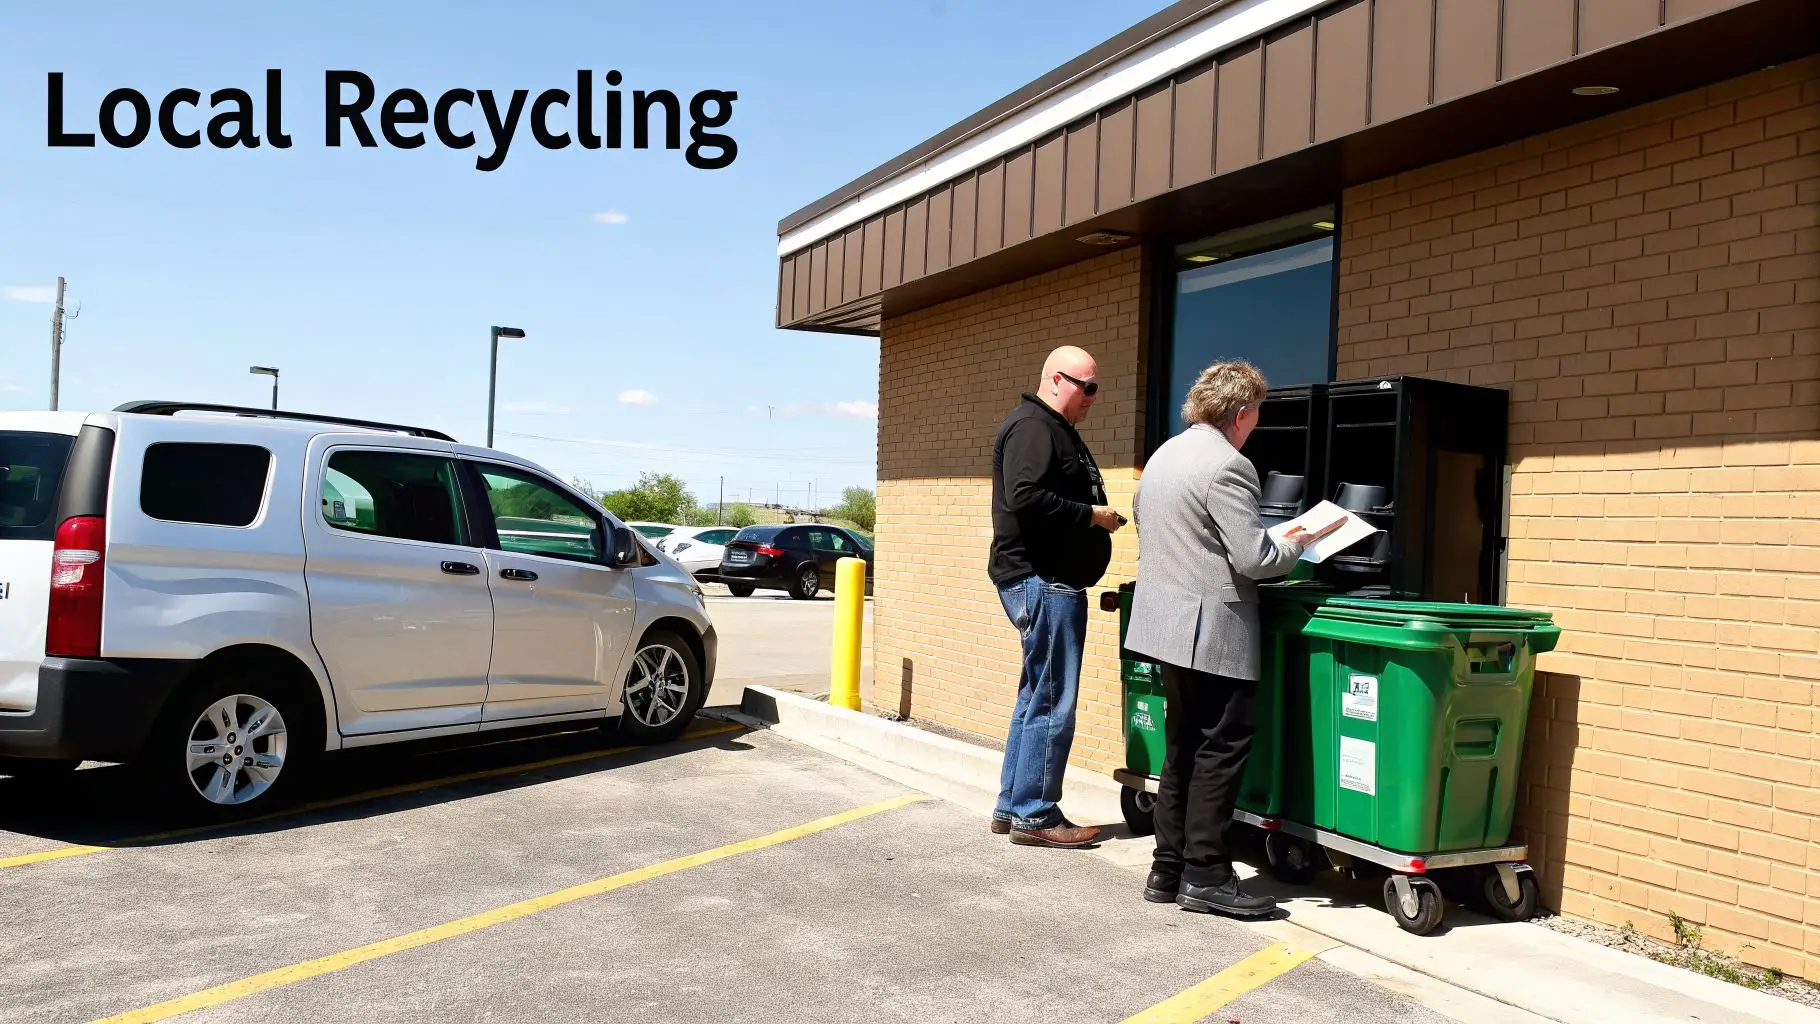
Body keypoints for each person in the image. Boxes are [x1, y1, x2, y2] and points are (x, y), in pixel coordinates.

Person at [1125, 360, 1342, 916]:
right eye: (1256, 415)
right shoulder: (1229, 465)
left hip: (1166, 625)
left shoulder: (1163, 456)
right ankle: (1207, 874)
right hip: (1214, 628)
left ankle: (1167, 868)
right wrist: (1304, 537)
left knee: (1183, 748)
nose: (1256, 424)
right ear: (1241, 414)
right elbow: (1254, 558)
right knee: (1221, 749)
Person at [987, 345, 1126, 849]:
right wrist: (1092, 515)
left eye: (1096, 388)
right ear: (1054, 379)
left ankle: (1012, 805)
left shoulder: (1049, 428)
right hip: (1043, 581)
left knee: (1034, 695)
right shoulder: (1033, 426)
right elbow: (1024, 494)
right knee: (1052, 699)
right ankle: (1036, 813)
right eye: (1084, 386)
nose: (1091, 397)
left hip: (1046, 581)